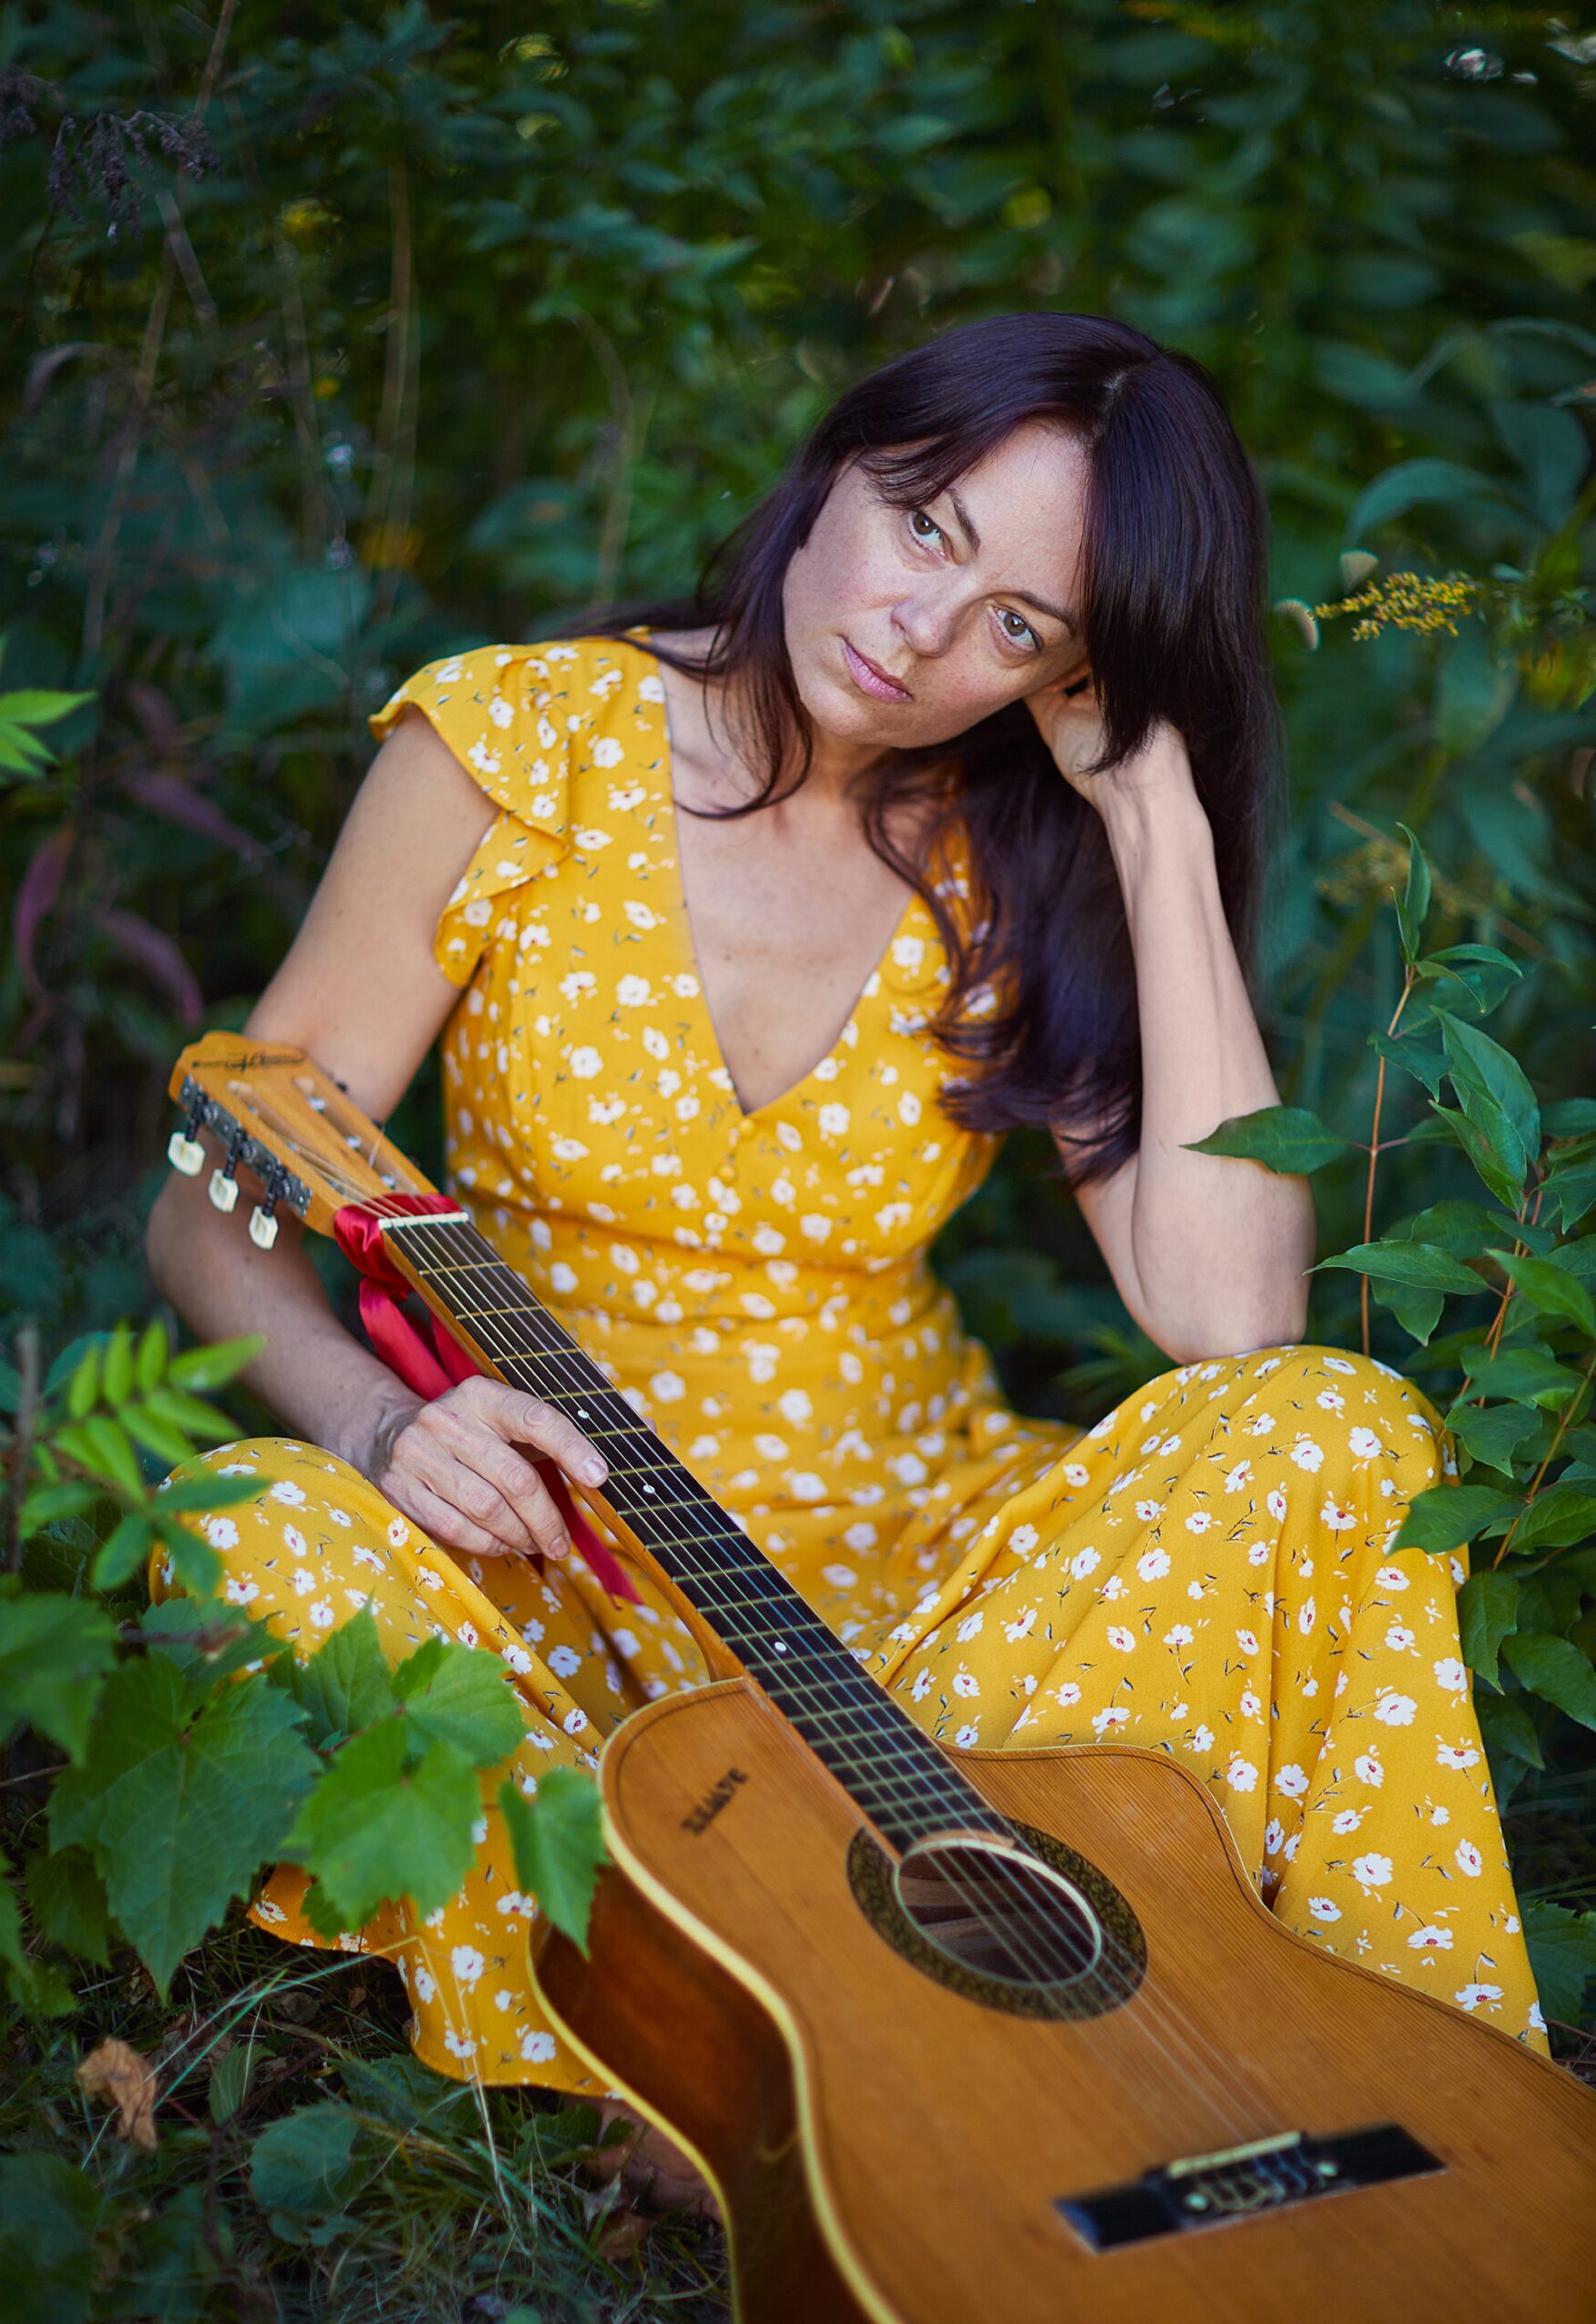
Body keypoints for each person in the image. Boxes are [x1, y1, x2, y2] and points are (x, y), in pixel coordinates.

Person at [145, 311, 1543, 2199]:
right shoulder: (521, 743)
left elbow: (1232, 1316)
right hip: (546, 1589)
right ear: (846, 459)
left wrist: (1151, 815)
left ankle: (1393, 2113)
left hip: (931, 1627)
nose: (925, 627)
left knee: (1336, 1425)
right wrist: (387, 1435)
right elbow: (211, 1205)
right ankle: (709, 2043)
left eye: (1025, 627)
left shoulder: (1017, 853)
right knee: (248, 1526)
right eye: (930, 524)